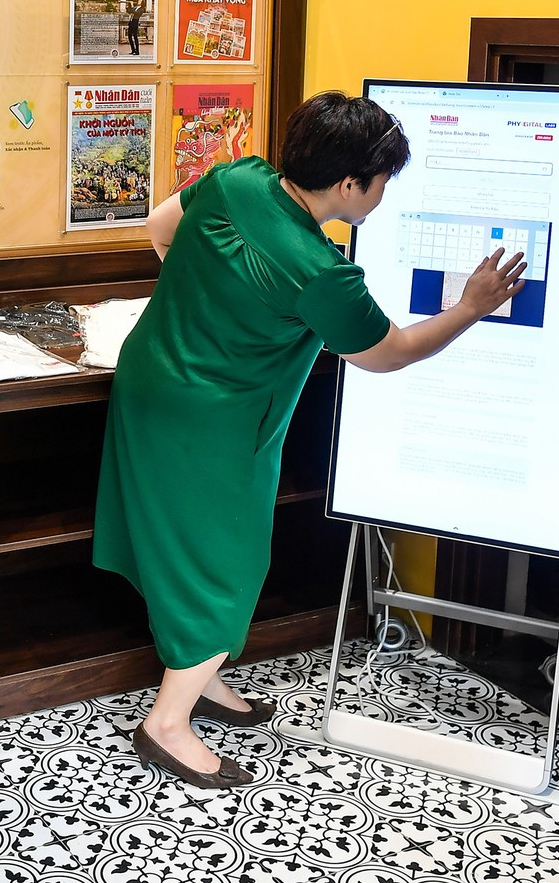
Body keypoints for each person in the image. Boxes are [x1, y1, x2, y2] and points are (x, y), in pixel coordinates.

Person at [93, 91, 526, 787]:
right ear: (351, 183)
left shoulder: (237, 179)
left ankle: (198, 678)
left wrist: (213, 305)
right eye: (384, 180)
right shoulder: (322, 271)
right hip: (215, 420)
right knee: (225, 563)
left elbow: (160, 228)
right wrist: (471, 306)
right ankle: (167, 724)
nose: (384, 191)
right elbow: (390, 352)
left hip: (151, 379)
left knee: (181, 544)